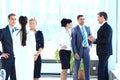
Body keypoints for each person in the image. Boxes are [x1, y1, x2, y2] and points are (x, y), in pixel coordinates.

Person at [88, 11, 113, 80]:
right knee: (104, 70)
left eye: (98, 17)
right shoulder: (103, 27)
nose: (97, 19)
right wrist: (94, 40)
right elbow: (102, 40)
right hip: (103, 52)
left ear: (102, 17)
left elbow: (106, 40)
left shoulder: (107, 27)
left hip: (104, 52)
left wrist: (95, 40)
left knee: (101, 70)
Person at [13, 16, 36, 80]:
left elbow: (14, 48)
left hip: (19, 59)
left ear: (19, 23)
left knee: (20, 76)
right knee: (28, 76)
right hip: (29, 59)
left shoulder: (15, 34)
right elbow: (34, 48)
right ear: (27, 23)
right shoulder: (31, 33)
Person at [71, 15, 92, 80]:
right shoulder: (74, 29)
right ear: (78, 20)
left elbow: (90, 38)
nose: (82, 20)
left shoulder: (87, 28)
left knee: (87, 68)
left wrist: (90, 46)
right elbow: (73, 42)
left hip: (86, 50)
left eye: (83, 19)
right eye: (81, 19)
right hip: (78, 50)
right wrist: (75, 53)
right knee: (76, 68)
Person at [0, 13, 17, 80]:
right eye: (12, 19)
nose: (14, 21)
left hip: (16, 60)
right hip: (6, 60)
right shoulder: (3, 31)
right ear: (8, 20)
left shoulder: (18, 31)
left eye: (15, 19)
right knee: (5, 78)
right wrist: (1, 54)